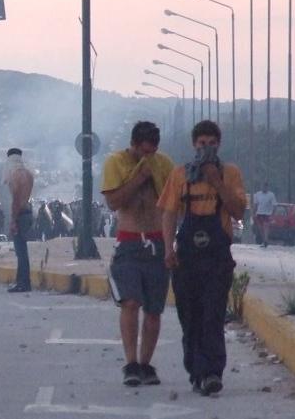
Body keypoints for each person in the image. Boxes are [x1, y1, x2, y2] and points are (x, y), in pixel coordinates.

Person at [158, 120, 247, 396]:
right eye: (201, 144)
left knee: (213, 315)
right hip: (187, 259)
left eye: (211, 144)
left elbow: (238, 212)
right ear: (193, 146)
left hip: (217, 258)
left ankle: (211, 372)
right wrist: (168, 248)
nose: (206, 149)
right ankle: (196, 369)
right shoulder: (180, 175)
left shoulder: (230, 173)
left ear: (218, 145)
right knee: (190, 316)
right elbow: (170, 213)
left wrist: (217, 181)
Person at [100, 121, 174, 386]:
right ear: (133, 145)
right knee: (130, 302)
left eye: (151, 152)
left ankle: (146, 363)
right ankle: (131, 362)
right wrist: (138, 177)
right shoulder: (116, 162)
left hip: (156, 240)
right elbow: (114, 202)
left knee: (154, 310)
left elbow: (170, 204)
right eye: (142, 152)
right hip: (129, 241)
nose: (147, 157)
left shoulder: (163, 163)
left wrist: (170, 246)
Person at [4, 148, 34, 293]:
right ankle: (23, 281)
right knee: (23, 250)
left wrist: (13, 220)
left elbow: (16, 199)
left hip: (20, 214)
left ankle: (22, 283)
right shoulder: (29, 174)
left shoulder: (14, 175)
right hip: (28, 211)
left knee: (20, 251)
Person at [253, 182, 277, 247]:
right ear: (261, 187)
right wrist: (253, 213)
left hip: (267, 214)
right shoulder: (257, 194)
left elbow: (274, 205)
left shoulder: (271, 195)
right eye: (263, 186)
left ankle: (266, 240)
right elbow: (255, 205)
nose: (264, 188)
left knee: (266, 226)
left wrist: (273, 214)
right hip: (259, 213)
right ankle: (264, 241)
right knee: (261, 228)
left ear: (267, 187)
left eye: (265, 187)